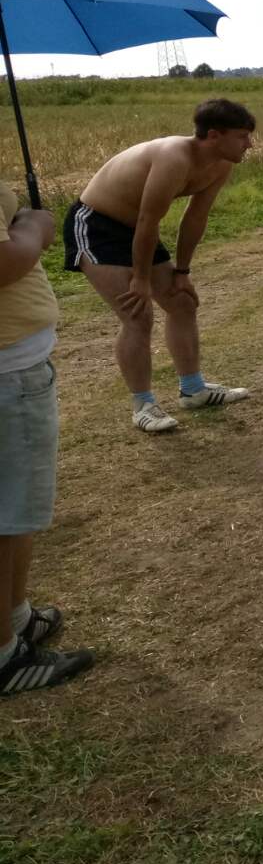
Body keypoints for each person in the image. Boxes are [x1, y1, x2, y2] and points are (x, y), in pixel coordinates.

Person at [65, 99, 255, 433]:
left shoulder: (221, 164)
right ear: (214, 135)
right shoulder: (173, 157)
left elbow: (196, 217)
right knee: (138, 315)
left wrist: (182, 272)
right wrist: (140, 279)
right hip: (97, 225)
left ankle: (193, 390)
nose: (249, 144)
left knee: (182, 302)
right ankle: (143, 405)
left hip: (138, 229)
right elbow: (147, 220)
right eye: (242, 136)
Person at [1, 186, 95, 696]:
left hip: (16, 371)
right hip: (8, 377)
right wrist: (35, 226)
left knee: (16, 514)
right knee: (6, 517)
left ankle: (14, 617)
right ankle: (4, 657)